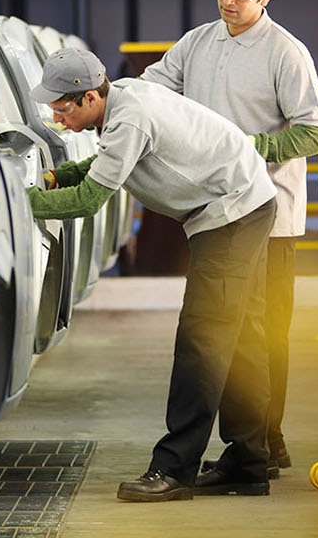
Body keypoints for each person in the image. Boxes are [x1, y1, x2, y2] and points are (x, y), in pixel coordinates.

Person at [26, 47, 277, 502]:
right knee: (239, 338)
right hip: (248, 201)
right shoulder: (123, 99)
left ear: (87, 98)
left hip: (231, 212)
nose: (55, 117)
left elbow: (88, 199)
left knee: (203, 341)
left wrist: (18, 200)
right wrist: (56, 178)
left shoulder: (131, 117)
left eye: (61, 107)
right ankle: (248, 463)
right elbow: (107, 165)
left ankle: (174, 469)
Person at [141, 0, 318, 480]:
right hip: (216, 213)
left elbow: (314, 132)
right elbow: (154, 89)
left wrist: (247, 149)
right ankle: (259, 449)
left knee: (265, 333)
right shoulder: (197, 43)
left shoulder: (284, 53)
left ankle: (265, 442)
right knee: (240, 333)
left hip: (272, 216)